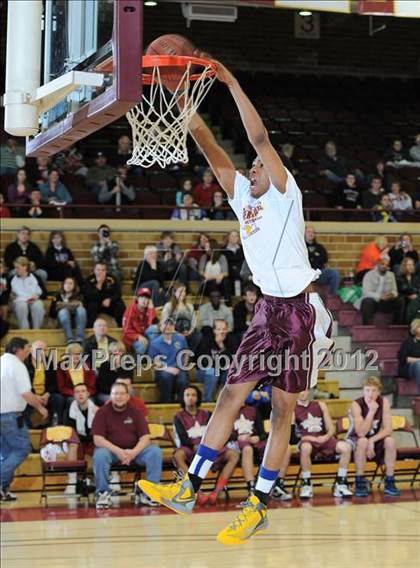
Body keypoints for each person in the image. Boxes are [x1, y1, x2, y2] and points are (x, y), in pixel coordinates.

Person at [139, 60, 334, 546]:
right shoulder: (243, 197)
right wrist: (184, 104)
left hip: (303, 312)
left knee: (283, 411)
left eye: (258, 165)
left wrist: (229, 82)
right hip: (268, 309)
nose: (251, 167)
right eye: (249, 167)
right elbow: (210, 148)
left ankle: (258, 504)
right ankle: (188, 487)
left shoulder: (288, 194)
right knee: (230, 394)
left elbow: (260, 140)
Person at [92, 382, 162, 508]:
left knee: (155, 451)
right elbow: (98, 439)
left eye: (122, 393)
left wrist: (133, 452)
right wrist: (119, 451)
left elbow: (145, 437)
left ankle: (150, 492)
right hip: (111, 452)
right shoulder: (102, 413)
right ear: (110, 396)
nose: (118, 396)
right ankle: (103, 493)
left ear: (128, 396)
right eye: (115, 393)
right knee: (100, 455)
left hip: (134, 451)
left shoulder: (136, 412)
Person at [172, 385, 240, 506]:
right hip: (190, 448)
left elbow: (217, 431)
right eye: (187, 395)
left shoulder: (207, 414)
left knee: (233, 454)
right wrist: (194, 447)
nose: (190, 398)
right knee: (178, 455)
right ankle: (197, 492)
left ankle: (216, 493)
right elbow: (182, 438)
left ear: (198, 398)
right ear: (183, 398)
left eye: (193, 395)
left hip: (210, 447)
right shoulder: (178, 417)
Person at [0, 337, 48, 500]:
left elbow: (15, 390)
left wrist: (36, 398)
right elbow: (25, 394)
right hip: (11, 416)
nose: (28, 352)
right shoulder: (17, 365)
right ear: (17, 349)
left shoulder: (1, 362)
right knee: (22, 449)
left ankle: (3, 490)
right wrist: (40, 407)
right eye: (26, 349)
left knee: (6, 453)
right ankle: (1, 482)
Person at [347, 376, 400, 497]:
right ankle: (360, 481)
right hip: (356, 439)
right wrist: (371, 412)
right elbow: (360, 432)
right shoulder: (356, 404)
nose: (370, 394)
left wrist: (372, 440)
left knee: (390, 441)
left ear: (379, 392)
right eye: (367, 390)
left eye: (374, 390)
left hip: (374, 439)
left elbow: (388, 429)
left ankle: (390, 481)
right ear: (363, 390)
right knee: (363, 441)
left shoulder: (383, 402)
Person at [295, 390, 353, 499]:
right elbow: (293, 435)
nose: (302, 393)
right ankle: (306, 483)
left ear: (308, 391)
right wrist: (310, 438)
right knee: (306, 447)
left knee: (345, 447)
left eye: (305, 390)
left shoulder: (320, 405)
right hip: (307, 439)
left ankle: (340, 482)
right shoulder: (292, 408)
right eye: (300, 390)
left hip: (323, 438)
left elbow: (331, 428)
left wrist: (325, 437)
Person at [64, 383, 98, 494]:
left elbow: (101, 431)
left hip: (93, 440)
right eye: (77, 392)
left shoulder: (96, 409)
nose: (80, 394)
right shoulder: (69, 411)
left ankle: (111, 478)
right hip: (78, 441)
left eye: (83, 391)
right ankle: (72, 481)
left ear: (88, 394)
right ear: (74, 395)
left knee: (104, 445)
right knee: (72, 445)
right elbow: (69, 432)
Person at [195, 319, 237, 402]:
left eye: (224, 329)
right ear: (214, 330)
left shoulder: (232, 341)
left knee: (232, 372)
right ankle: (207, 400)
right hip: (204, 372)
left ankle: (228, 401)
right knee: (212, 371)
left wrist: (222, 348)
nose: (222, 332)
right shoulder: (206, 340)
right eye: (219, 329)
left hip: (222, 372)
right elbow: (204, 363)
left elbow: (233, 362)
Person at [148, 318, 189, 403]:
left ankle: (183, 404)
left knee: (182, 380)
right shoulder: (155, 343)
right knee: (166, 377)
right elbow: (155, 362)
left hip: (179, 368)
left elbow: (186, 353)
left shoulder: (181, 339)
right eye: (165, 324)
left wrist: (184, 366)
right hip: (163, 369)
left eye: (170, 324)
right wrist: (168, 369)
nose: (168, 326)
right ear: (160, 327)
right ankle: (166, 402)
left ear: (174, 327)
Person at [231, 404, 267, 497]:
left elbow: (262, 433)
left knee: (271, 448)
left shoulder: (253, 410)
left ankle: (263, 482)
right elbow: (222, 433)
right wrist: (237, 437)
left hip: (253, 440)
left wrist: (258, 437)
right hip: (234, 441)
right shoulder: (226, 409)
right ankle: (251, 485)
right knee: (247, 449)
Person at [25, 340, 64, 424]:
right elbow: (23, 385)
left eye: (44, 350)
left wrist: (47, 394)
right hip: (30, 394)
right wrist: (34, 396)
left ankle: (55, 423)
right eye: (39, 349)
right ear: (31, 350)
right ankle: (27, 425)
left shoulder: (50, 362)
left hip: (45, 394)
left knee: (58, 399)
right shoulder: (24, 363)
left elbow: (53, 383)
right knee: (24, 401)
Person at [357, 257, 404, 325]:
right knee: (367, 301)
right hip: (373, 301)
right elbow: (366, 292)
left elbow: (395, 290)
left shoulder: (391, 275)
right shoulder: (369, 275)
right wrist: (380, 296)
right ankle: (367, 327)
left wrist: (392, 295)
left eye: (387, 265)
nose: (384, 266)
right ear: (378, 264)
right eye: (382, 264)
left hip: (386, 302)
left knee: (400, 299)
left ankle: (396, 325)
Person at [160, 284, 200, 352]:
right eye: (180, 291)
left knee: (199, 336)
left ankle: (190, 354)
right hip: (173, 332)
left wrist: (190, 331)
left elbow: (194, 322)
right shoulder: (168, 306)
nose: (183, 293)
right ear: (175, 293)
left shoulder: (190, 306)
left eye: (184, 291)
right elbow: (164, 322)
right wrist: (176, 333)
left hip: (188, 332)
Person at [9, 256, 47, 329]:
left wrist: (37, 296)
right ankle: (24, 330)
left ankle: (37, 330)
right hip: (19, 301)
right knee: (22, 306)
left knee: (38, 305)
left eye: (18, 267)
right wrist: (11, 296)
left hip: (33, 299)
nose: (15, 270)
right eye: (15, 267)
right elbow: (7, 293)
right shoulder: (11, 279)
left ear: (25, 267)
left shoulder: (35, 277)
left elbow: (45, 293)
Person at [84, 262, 125, 327]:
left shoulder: (111, 279)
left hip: (108, 303)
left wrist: (110, 300)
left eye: (103, 270)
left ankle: (121, 326)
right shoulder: (89, 279)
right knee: (91, 306)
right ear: (94, 270)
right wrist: (99, 283)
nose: (100, 272)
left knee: (120, 305)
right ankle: (90, 328)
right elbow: (88, 296)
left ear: (106, 271)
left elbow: (118, 293)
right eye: (98, 270)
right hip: (95, 303)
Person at [56, 343, 96, 408]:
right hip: (71, 395)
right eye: (73, 354)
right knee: (74, 402)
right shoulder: (61, 367)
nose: (76, 356)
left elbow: (92, 386)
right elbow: (62, 387)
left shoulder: (88, 366)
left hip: (86, 394)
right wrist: (76, 394)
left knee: (91, 402)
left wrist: (85, 394)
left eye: (78, 354)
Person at [49, 277, 87, 344]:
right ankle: (70, 339)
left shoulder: (79, 296)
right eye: (66, 283)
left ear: (74, 286)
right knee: (64, 311)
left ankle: (80, 339)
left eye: (71, 283)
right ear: (63, 285)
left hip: (76, 322)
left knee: (81, 310)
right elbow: (52, 313)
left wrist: (62, 305)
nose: (68, 285)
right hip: (63, 322)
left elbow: (81, 308)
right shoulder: (57, 296)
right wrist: (74, 305)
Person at [305, 226, 340, 295]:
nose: (311, 234)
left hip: (319, 272)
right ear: (304, 233)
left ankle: (332, 296)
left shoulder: (320, 247)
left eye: (313, 232)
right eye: (308, 232)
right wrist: (315, 256)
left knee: (334, 273)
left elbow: (324, 261)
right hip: (306, 274)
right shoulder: (301, 247)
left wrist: (312, 257)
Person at [122, 288, 156, 355]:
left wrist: (151, 309)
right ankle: (138, 361)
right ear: (137, 299)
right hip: (132, 338)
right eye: (142, 297)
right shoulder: (130, 310)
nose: (144, 300)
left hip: (145, 335)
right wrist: (138, 336)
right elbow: (126, 330)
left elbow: (151, 325)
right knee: (142, 344)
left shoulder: (149, 309)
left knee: (154, 329)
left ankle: (152, 359)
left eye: (147, 298)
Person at [198, 239, 231, 304]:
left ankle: (228, 303)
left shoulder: (222, 257)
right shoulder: (204, 257)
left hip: (219, 283)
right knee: (213, 283)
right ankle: (214, 304)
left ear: (212, 247)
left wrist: (221, 276)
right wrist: (216, 277)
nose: (205, 248)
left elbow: (226, 273)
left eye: (207, 246)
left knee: (226, 281)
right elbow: (201, 272)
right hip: (207, 284)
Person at [397, 319, 420, 390]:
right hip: (408, 368)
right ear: (415, 328)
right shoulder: (408, 342)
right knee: (418, 364)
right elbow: (402, 358)